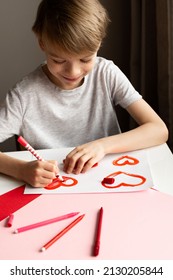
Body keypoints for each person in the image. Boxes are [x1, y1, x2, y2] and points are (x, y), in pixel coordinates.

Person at [0, 0, 168, 188]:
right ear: (42, 43)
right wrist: (20, 170)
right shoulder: (24, 96)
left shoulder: (106, 73)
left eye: (85, 59)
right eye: (59, 60)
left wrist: (102, 146)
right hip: (52, 192)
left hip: (109, 182)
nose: (73, 72)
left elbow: (159, 130)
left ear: (99, 44)